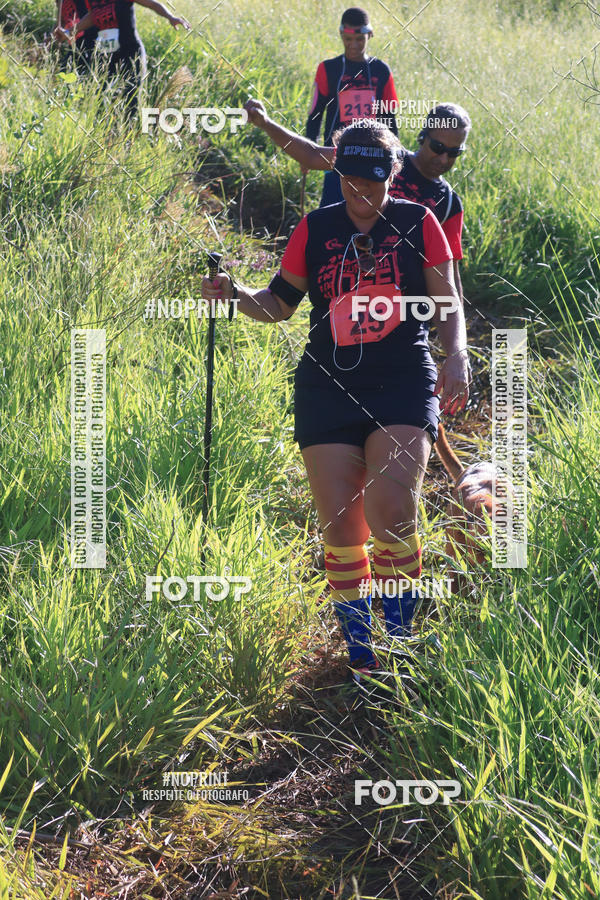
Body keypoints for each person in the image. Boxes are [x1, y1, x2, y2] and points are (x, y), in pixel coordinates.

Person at [202, 122, 469, 684]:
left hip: (401, 380)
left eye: (371, 179)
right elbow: (278, 304)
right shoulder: (316, 227)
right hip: (326, 385)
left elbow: (447, 301)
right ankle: (363, 653)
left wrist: (457, 356)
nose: (359, 190)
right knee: (342, 530)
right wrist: (233, 295)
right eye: (348, 178)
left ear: (392, 174)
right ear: (336, 172)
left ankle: (400, 642)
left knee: (391, 511)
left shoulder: (419, 222)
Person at [246, 98, 470, 303]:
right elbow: (312, 155)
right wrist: (266, 124)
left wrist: (455, 321)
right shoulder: (383, 156)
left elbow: (450, 270)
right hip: (344, 281)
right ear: (423, 137)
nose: (443, 159)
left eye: (454, 152)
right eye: (438, 148)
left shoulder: (449, 203)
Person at [306, 6, 399, 207]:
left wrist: (395, 155)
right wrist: (307, 153)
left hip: (372, 155)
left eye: (359, 39)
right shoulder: (328, 68)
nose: (354, 45)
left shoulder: (381, 70)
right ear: (341, 35)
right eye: (348, 39)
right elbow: (315, 114)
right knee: (331, 210)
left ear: (370, 34)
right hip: (336, 155)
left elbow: (389, 118)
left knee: (369, 209)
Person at [53, 0, 189, 115]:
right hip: (106, 56)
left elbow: (151, 4)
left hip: (131, 52)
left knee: (131, 98)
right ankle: (105, 132)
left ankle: (129, 133)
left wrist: (170, 17)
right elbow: (91, 17)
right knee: (99, 97)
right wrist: (68, 32)